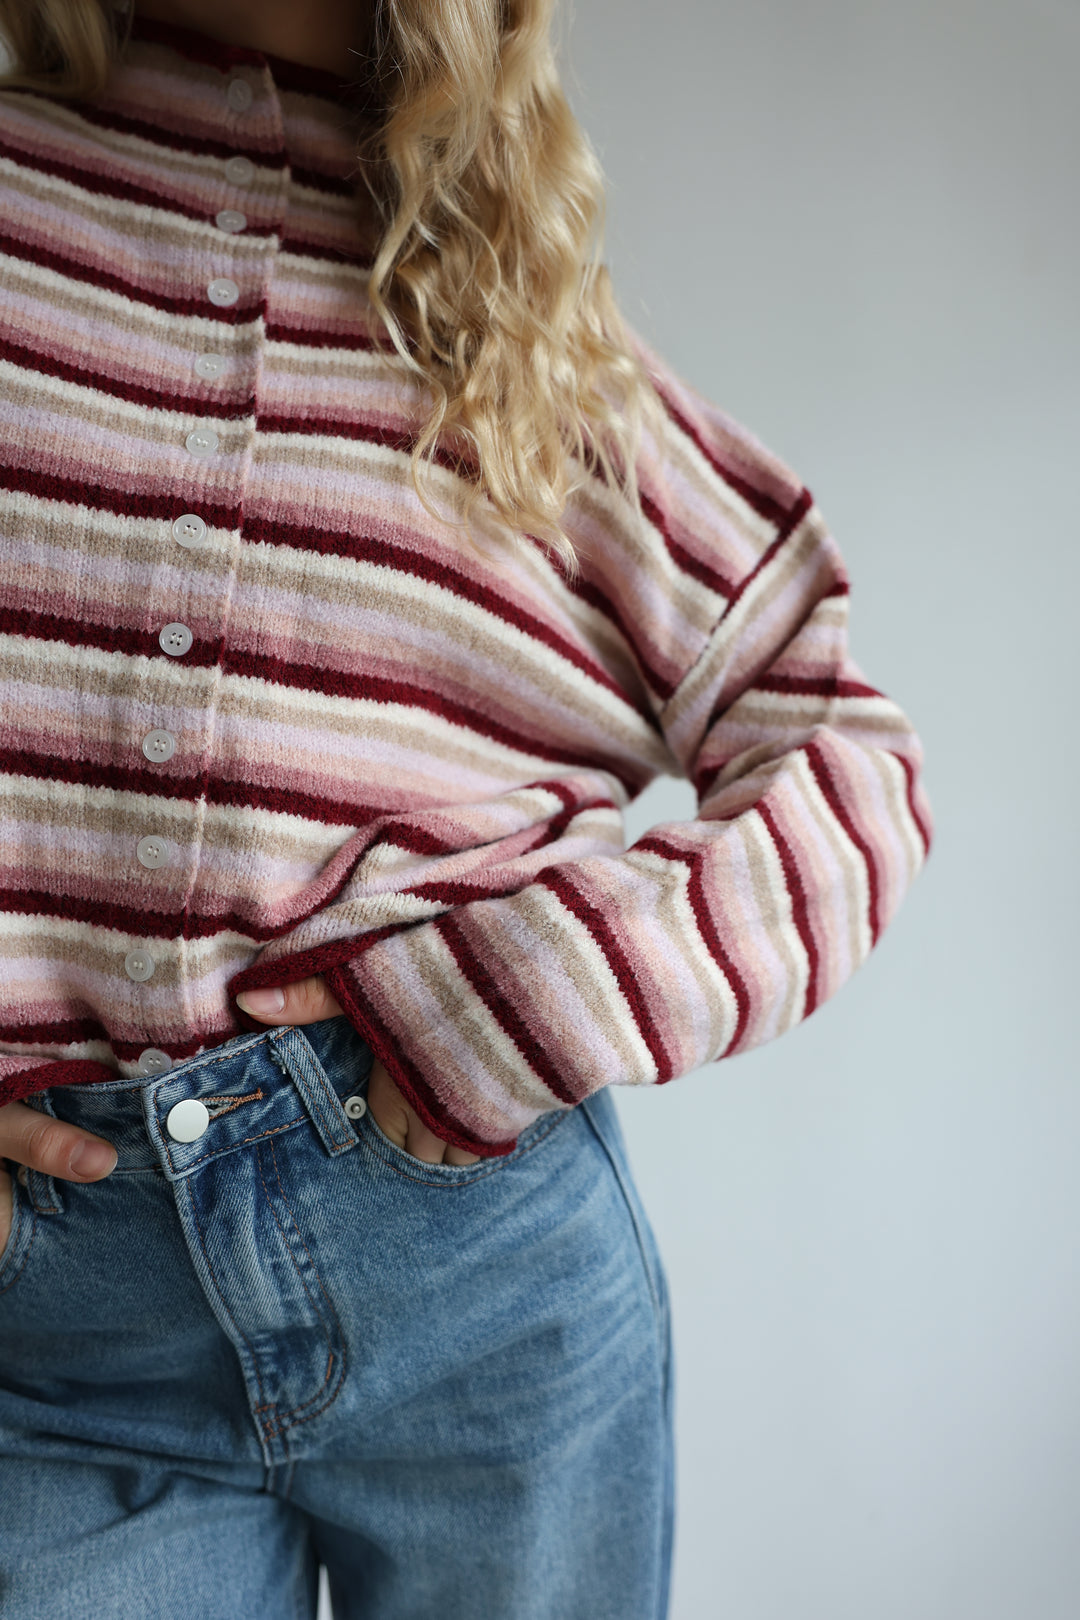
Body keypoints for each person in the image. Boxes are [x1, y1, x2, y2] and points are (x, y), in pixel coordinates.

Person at [0, 1, 932, 1615]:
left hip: (481, 1278)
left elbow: (849, 756)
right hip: (58, 1327)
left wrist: (542, 995)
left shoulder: (520, 342)